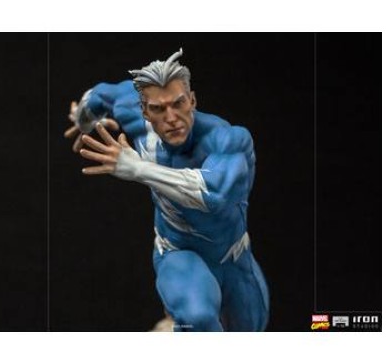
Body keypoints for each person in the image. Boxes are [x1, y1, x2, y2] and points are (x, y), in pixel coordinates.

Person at [64, 48, 269, 331]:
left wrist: (138, 169)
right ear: (144, 111)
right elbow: (97, 96)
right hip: (179, 250)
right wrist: (85, 122)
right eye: (158, 109)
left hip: (234, 254)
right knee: (198, 320)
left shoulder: (228, 139)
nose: (171, 117)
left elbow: (214, 194)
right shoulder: (133, 114)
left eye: (178, 104)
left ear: (192, 100)